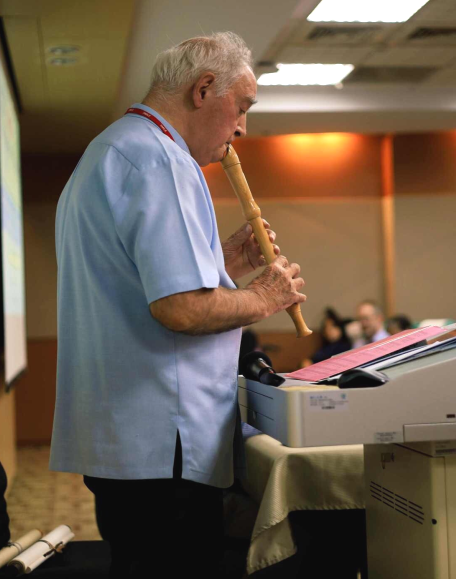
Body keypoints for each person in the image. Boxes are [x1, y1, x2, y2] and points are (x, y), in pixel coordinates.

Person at [49, 32, 306, 577]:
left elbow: (139, 284)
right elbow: (181, 310)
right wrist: (266, 295)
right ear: (204, 89)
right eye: (241, 108)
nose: (242, 127)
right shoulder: (162, 161)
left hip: (129, 431)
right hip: (163, 438)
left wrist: (223, 266)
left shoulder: (113, 148)